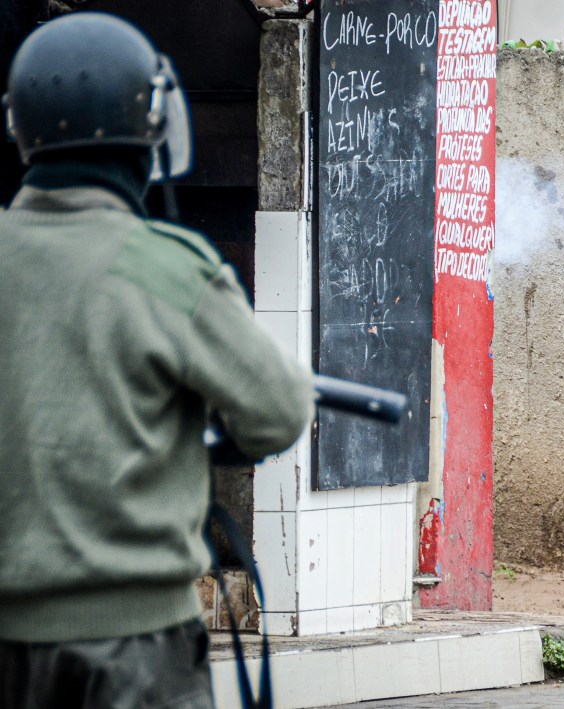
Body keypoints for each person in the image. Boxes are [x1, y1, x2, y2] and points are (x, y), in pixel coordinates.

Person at [0, 13, 314, 707]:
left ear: (20, 129)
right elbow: (279, 411)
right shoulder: (170, 270)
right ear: (153, 126)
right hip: (136, 649)